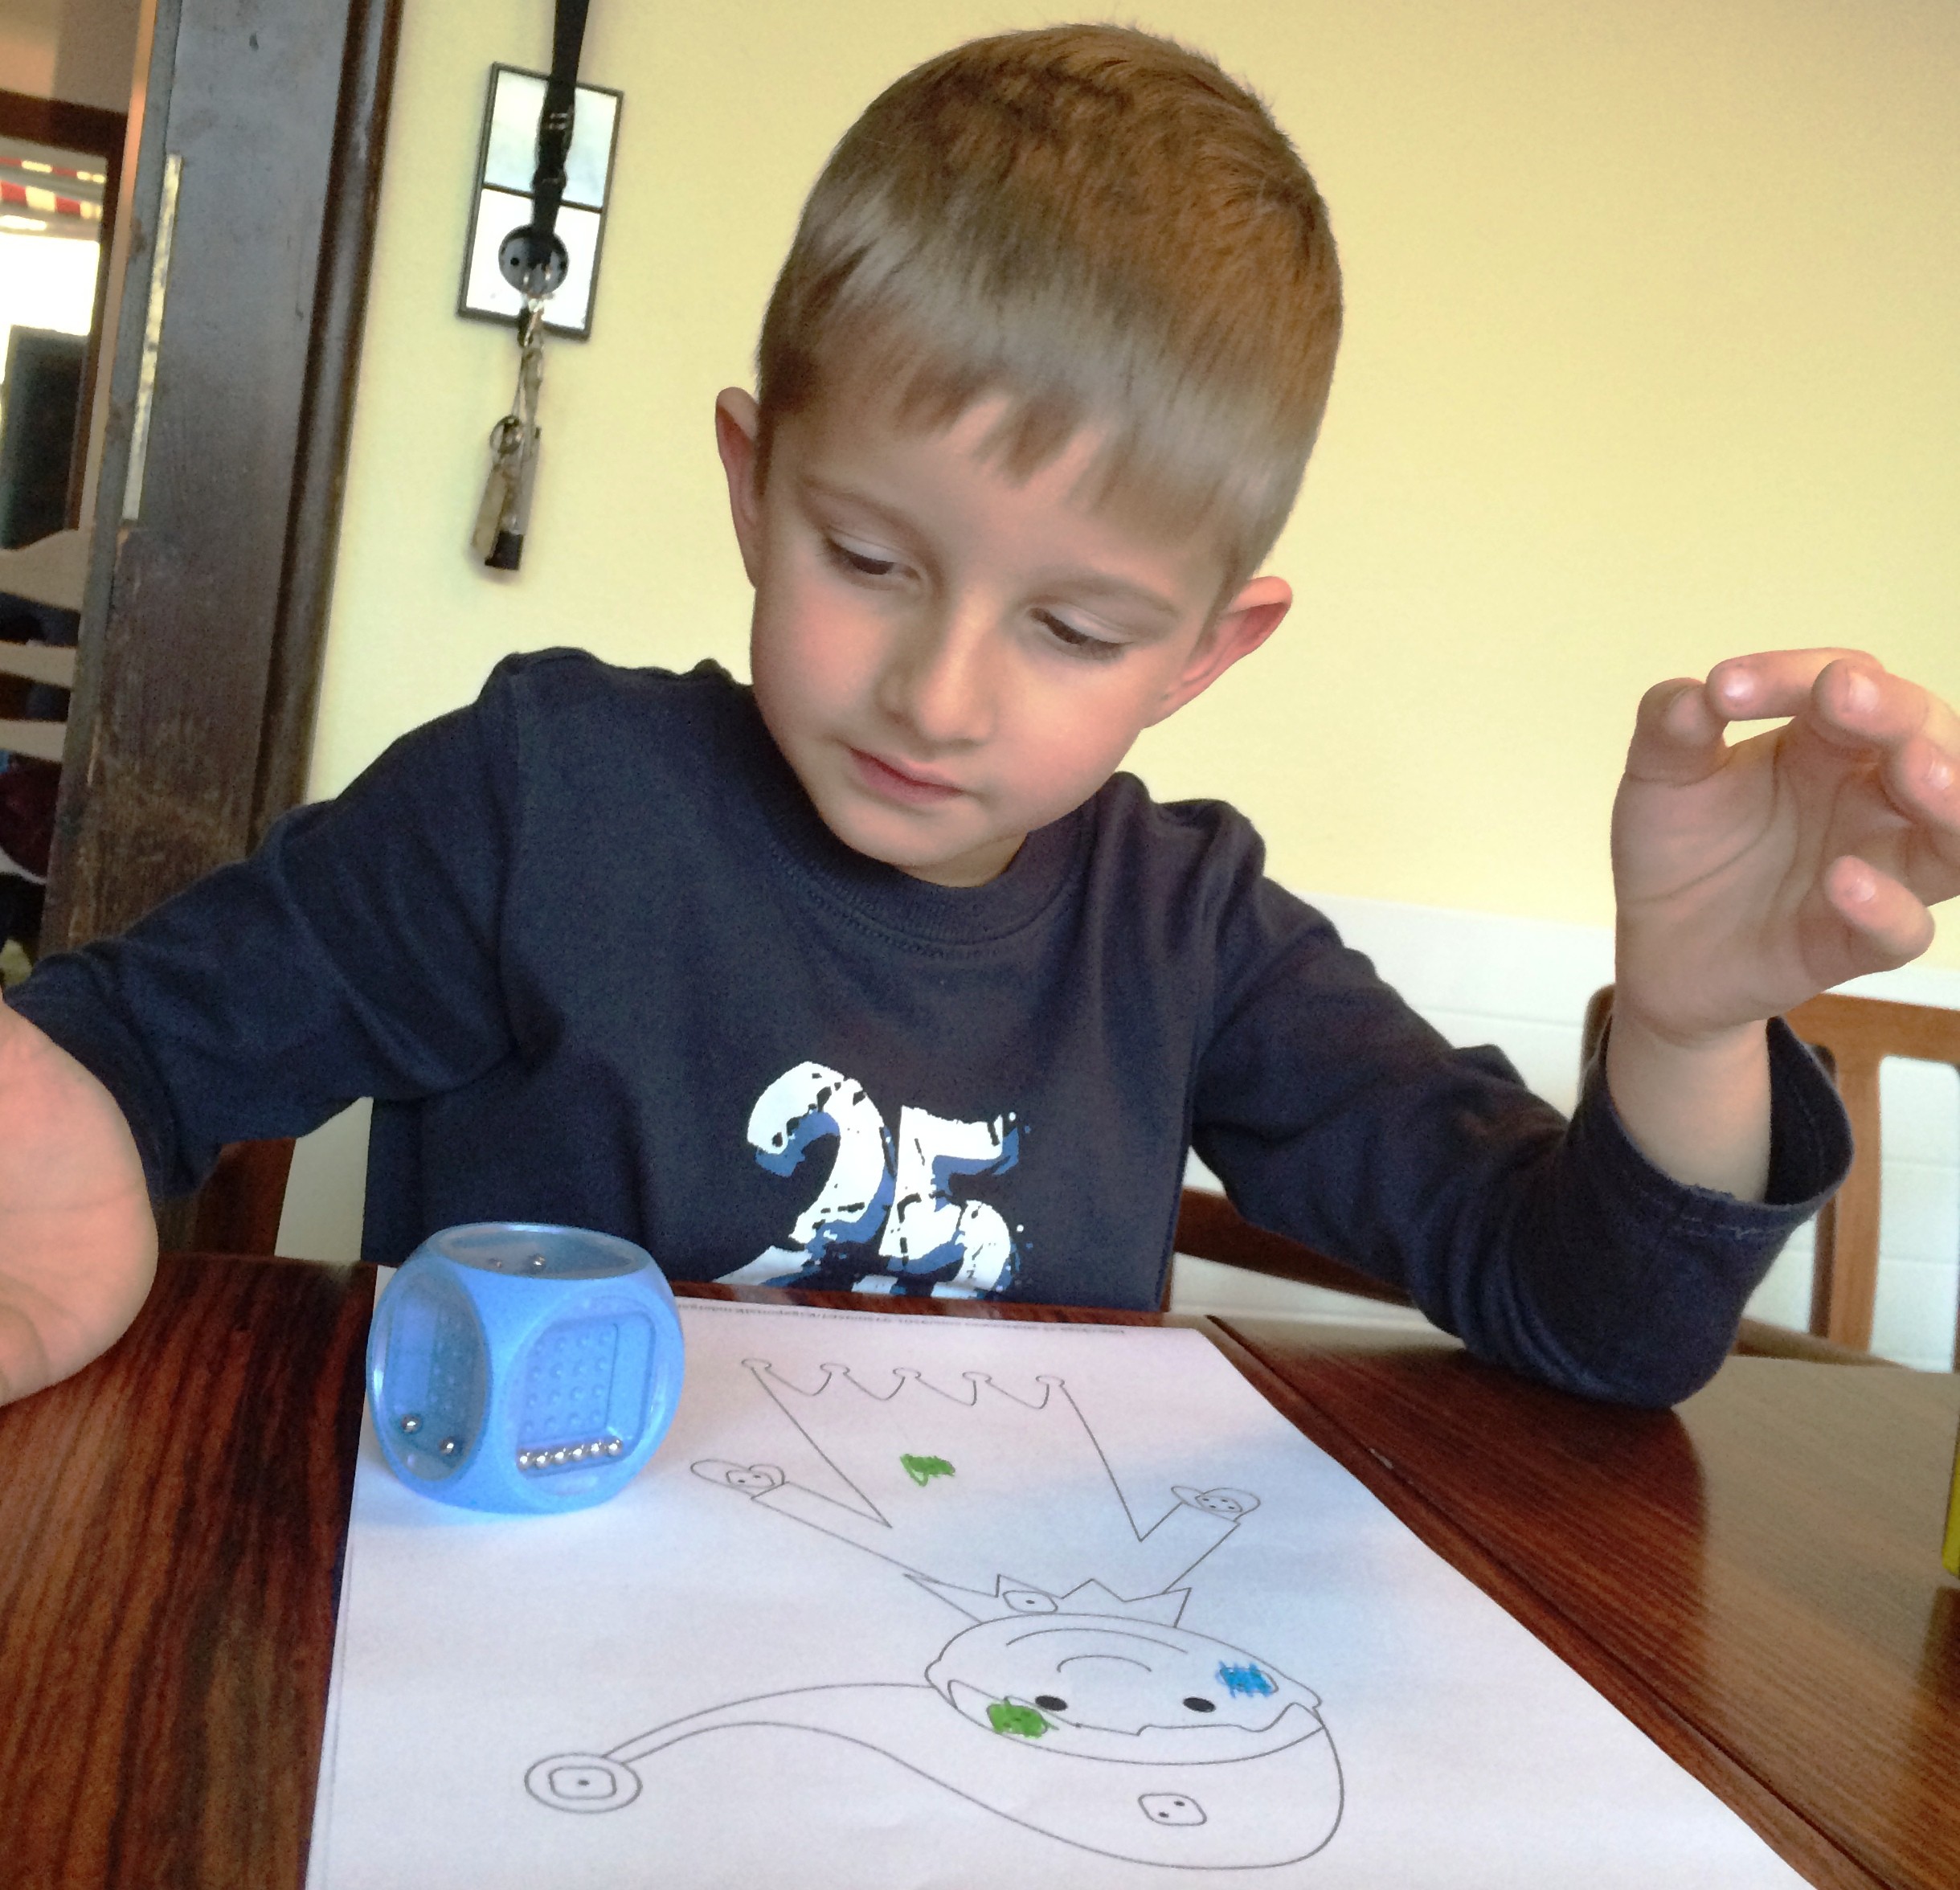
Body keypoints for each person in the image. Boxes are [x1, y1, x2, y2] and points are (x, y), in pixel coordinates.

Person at [1, 26, 1954, 1413]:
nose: (936, 695)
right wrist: (73, 1126)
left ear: (1200, 655)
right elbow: (126, 1061)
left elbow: (1593, 1326)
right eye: (865, 558)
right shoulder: (535, 804)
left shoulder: (1189, 938)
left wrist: (1686, 1030)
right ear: (755, 485)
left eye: (1075, 628)